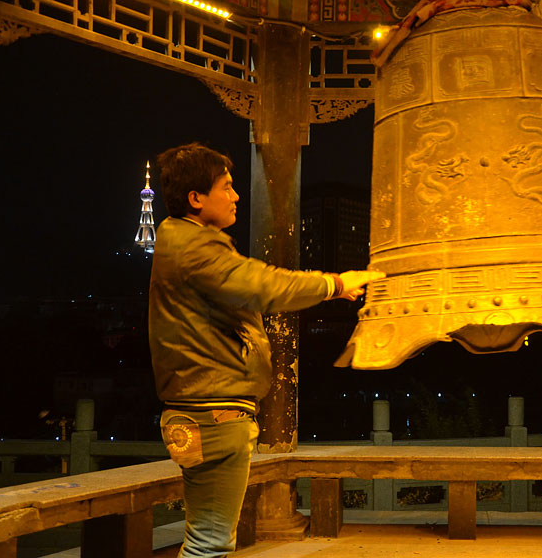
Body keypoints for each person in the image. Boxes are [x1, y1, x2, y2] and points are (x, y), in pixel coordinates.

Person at [148, 142, 382, 557]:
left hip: (200, 409)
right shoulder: (196, 248)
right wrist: (335, 283)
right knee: (210, 542)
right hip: (215, 411)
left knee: (205, 535)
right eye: (227, 186)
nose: (236, 195)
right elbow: (265, 284)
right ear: (196, 198)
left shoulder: (181, 241)